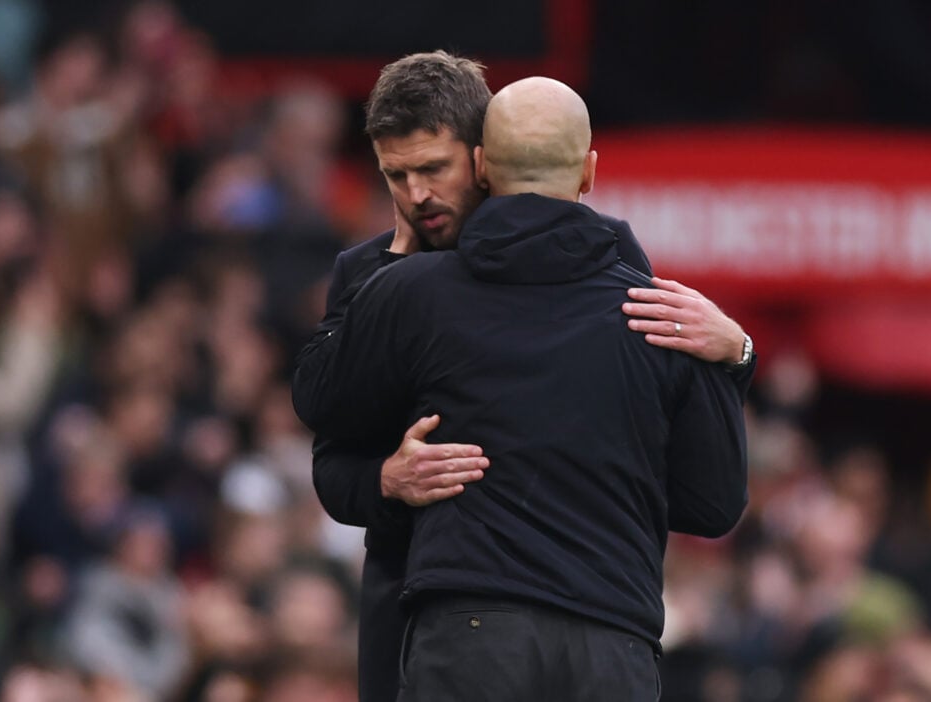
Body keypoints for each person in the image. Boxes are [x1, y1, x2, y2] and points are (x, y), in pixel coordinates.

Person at [291, 51, 754, 702]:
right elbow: (713, 502)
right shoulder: (657, 308)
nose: (417, 194)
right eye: (397, 175)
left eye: (433, 169)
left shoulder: (412, 292)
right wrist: (385, 480)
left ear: (481, 161)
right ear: (589, 173)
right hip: (602, 632)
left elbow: (318, 404)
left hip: (468, 624)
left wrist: (738, 352)